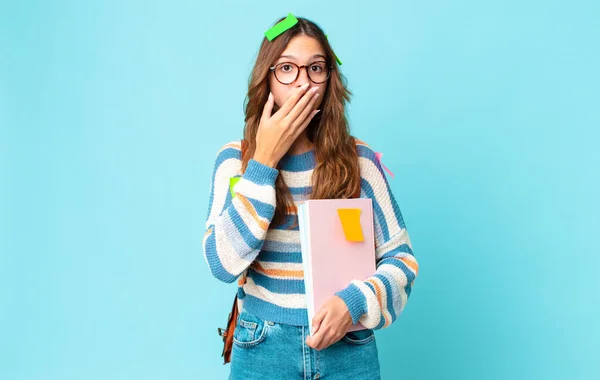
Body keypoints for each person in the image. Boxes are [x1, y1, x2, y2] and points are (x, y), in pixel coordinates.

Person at [203, 15, 419, 380]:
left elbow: (402, 261)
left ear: (329, 79)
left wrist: (352, 304)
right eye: (287, 68)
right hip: (262, 347)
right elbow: (223, 264)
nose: (303, 82)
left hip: (348, 349)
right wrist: (264, 162)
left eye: (315, 68)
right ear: (267, 78)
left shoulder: (359, 161)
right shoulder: (236, 160)